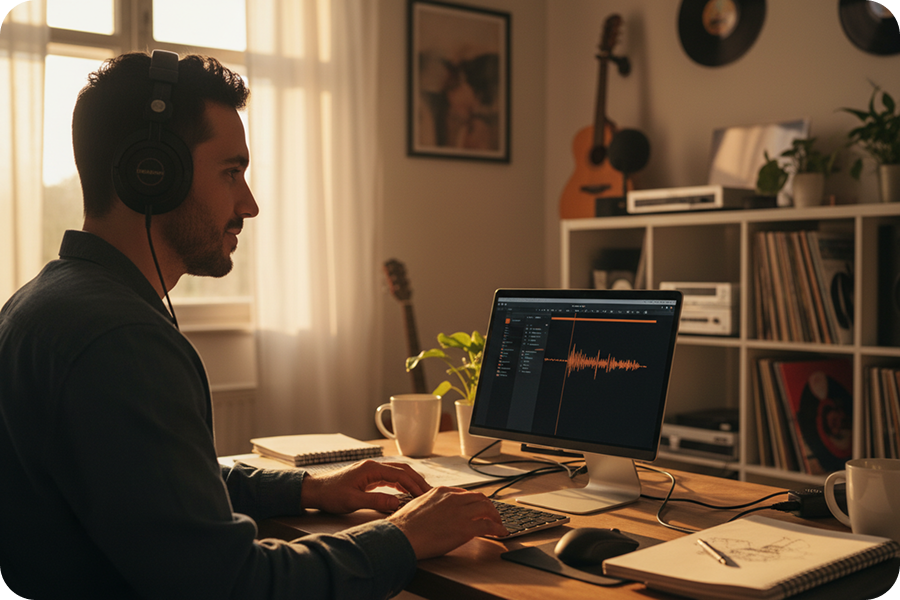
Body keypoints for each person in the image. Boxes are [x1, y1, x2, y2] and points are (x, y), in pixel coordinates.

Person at [0, 50, 506, 599]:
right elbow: (235, 585)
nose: (251, 203)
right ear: (154, 174)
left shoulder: (42, 305)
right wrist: (404, 535)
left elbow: (154, 487)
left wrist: (311, 487)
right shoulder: (121, 342)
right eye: (231, 171)